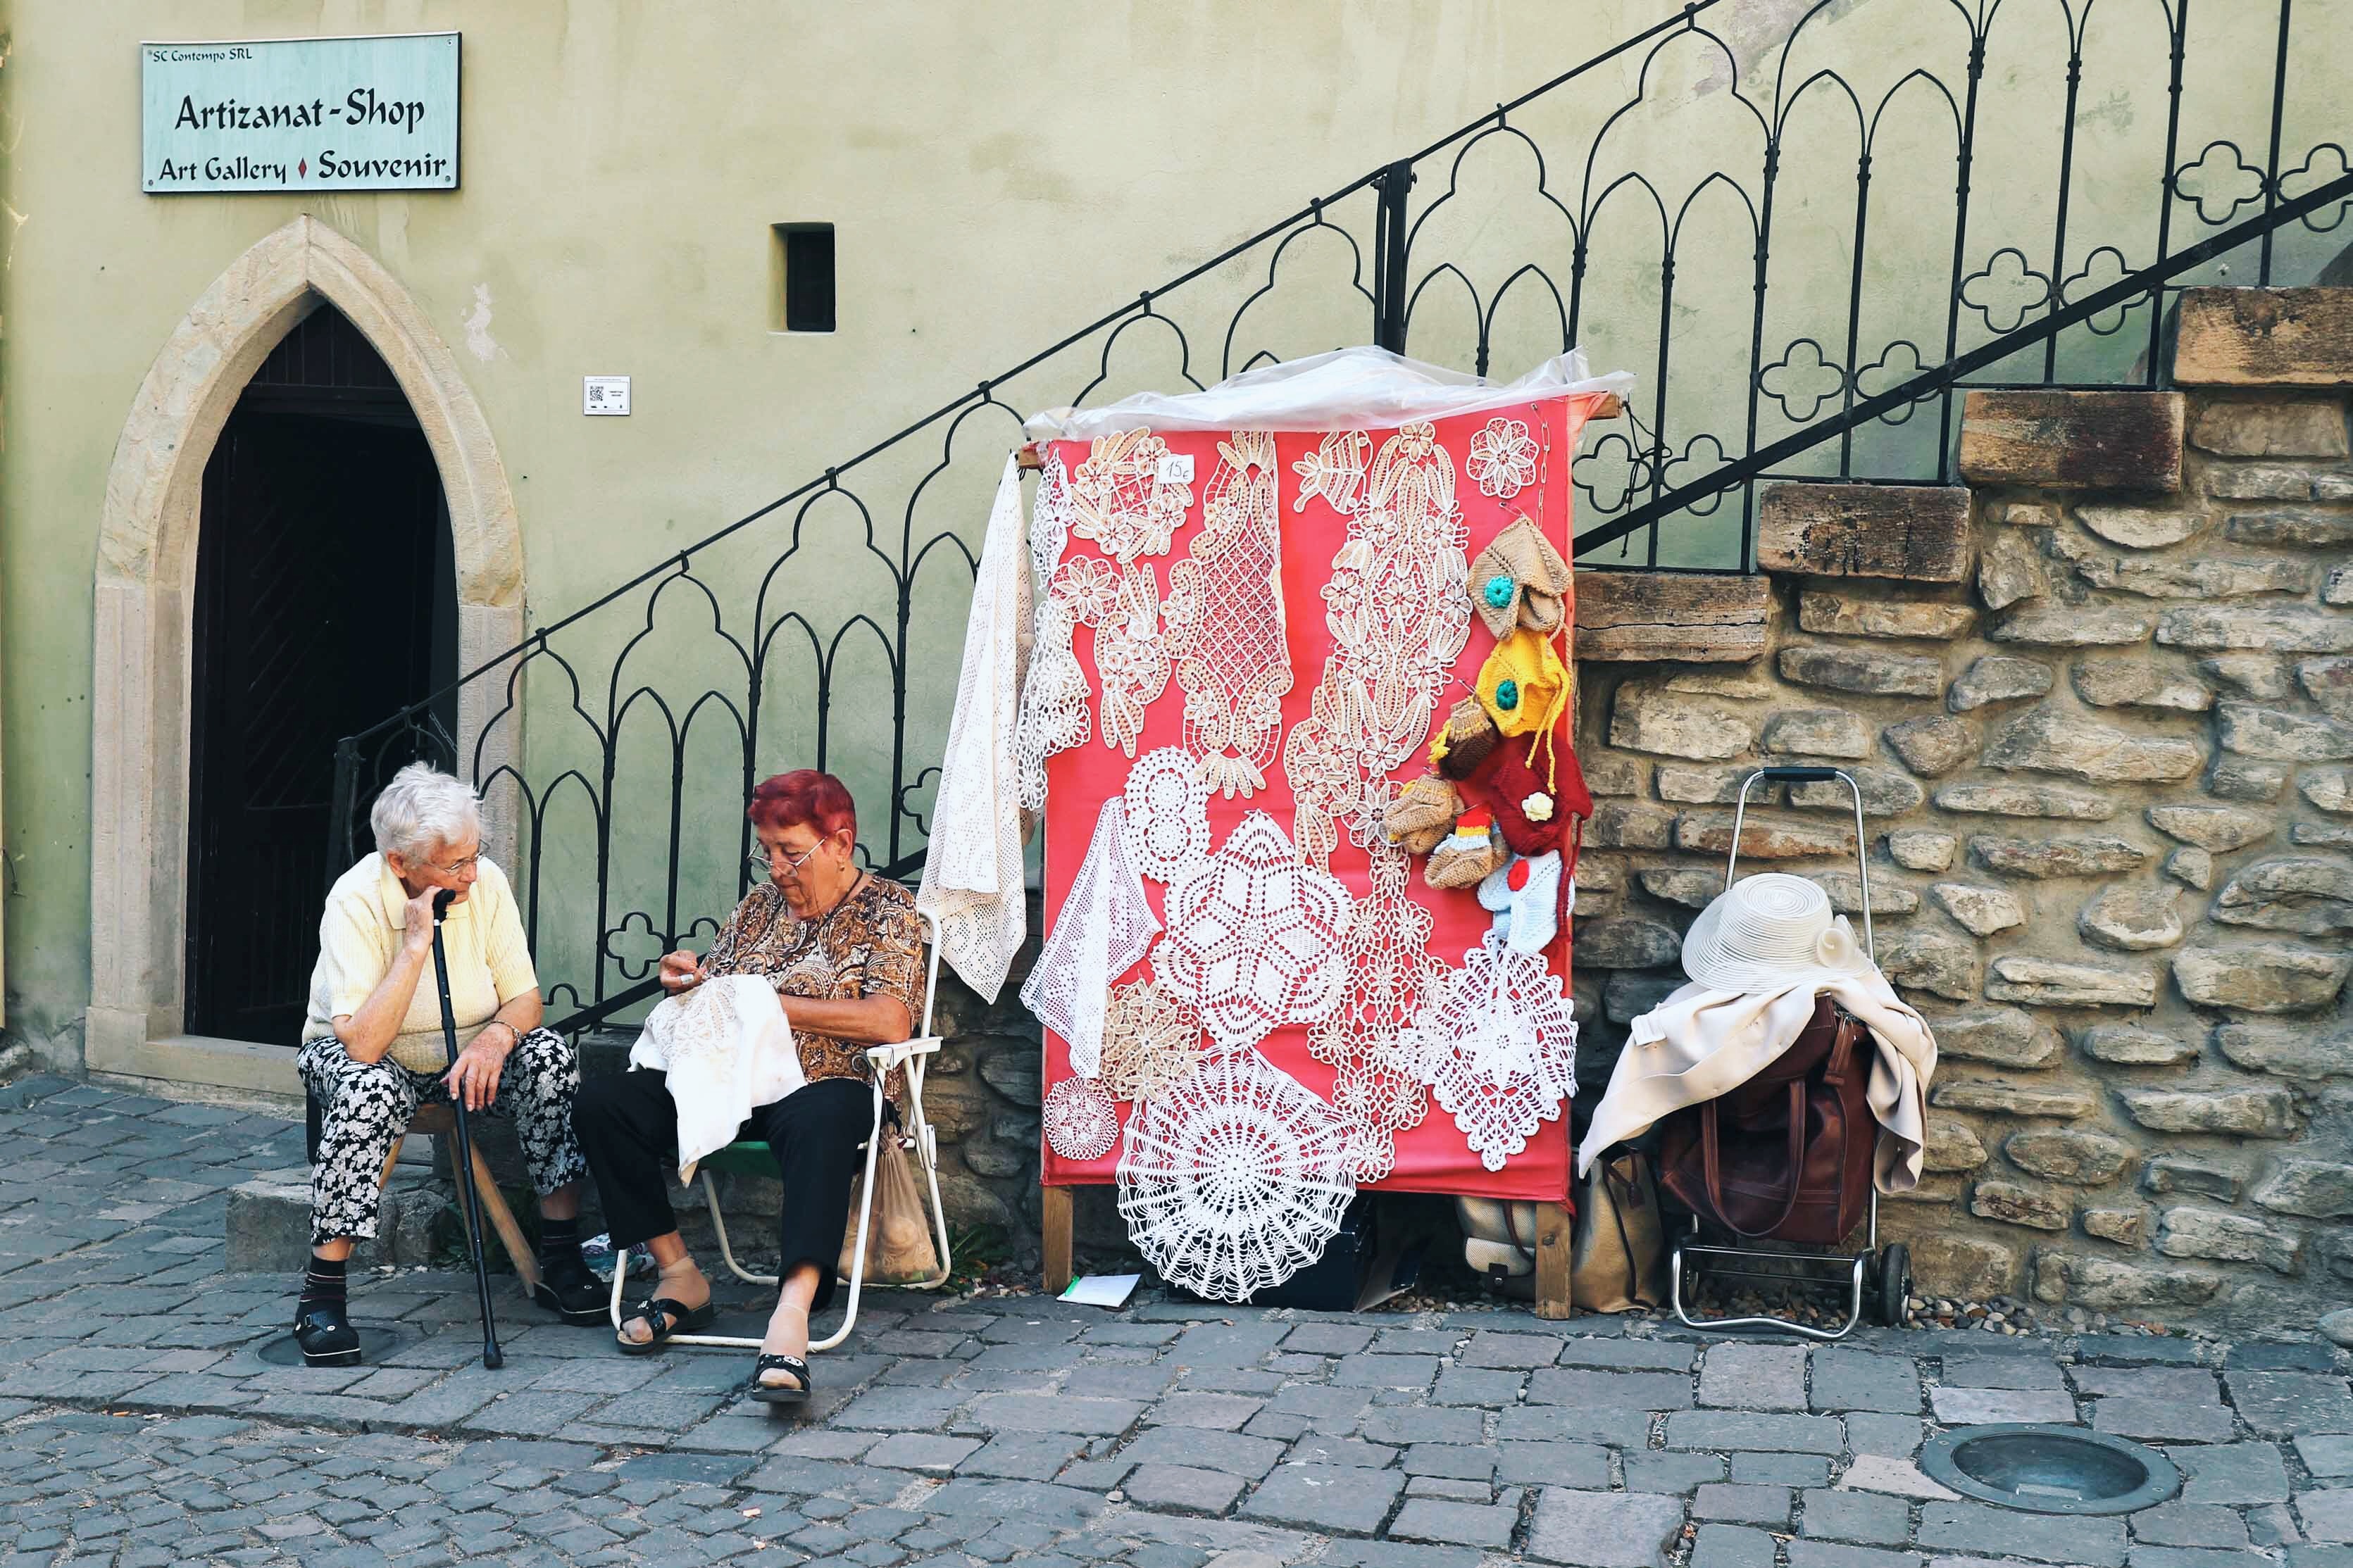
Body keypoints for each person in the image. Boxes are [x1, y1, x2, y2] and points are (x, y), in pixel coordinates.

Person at [574, 769, 923, 1403]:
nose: (778, 867)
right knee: (605, 1102)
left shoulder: (888, 909)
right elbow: (722, 986)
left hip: (829, 1083)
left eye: (792, 852)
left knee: (821, 1117)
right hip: (735, 1085)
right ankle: (680, 1274)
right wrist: (688, 979)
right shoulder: (759, 907)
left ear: (840, 843)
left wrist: (769, 1003)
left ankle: (791, 1313)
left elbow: (889, 1018)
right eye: (767, 850)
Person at [295, 764, 606, 1366]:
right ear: (400, 863)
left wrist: (494, 1039)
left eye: (474, 856)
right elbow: (360, 1043)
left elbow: (526, 998)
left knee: (546, 1057)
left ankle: (562, 1255)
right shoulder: (356, 899)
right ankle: (322, 1295)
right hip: (367, 1052)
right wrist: (415, 944)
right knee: (367, 1089)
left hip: (468, 1051)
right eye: (453, 865)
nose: (470, 873)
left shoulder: (486, 883)